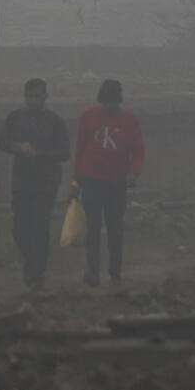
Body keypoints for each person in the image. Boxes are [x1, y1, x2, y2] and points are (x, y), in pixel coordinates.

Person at [0, 78, 70, 291]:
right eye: (29, 96)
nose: (32, 100)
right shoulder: (15, 118)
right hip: (22, 182)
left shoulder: (56, 121)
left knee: (40, 227)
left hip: (46, 182)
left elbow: (65, 152)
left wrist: (40, 154)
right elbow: (1, 141)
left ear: (45, 97)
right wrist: (18, 147)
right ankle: (32, 263)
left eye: (37, 96)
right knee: (20, 229)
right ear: (24, 97)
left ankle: (37, 274)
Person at [71, 78, 145, 288]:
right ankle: (93, 273)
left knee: (115, 229)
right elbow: (80, 150)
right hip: (92, 182)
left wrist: (134, 173)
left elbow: (138, 150)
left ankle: (115, 274)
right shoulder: (88, 117)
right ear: (101, 101)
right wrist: (76, 181)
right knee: (92, 229)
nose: (110, 106)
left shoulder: (130, 120)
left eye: (114, 102)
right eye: (106, 102)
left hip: (117, 182)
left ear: (119, 101)